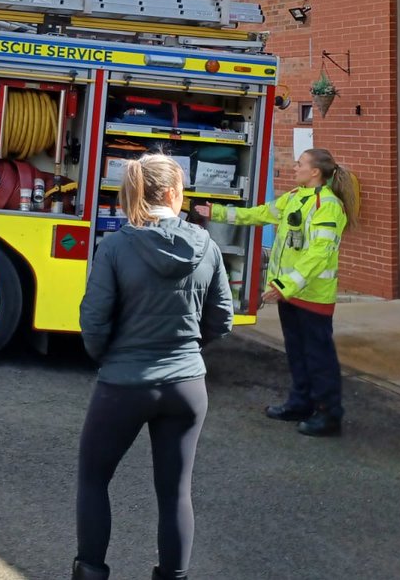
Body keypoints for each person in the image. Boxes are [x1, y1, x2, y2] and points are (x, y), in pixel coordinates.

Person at [75, 154, 232, 580]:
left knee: (93, 479)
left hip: (124, 382)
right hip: (186, 385)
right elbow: (221, 319)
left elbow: (93, 320)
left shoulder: (116, 246)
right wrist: (188, 352)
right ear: (173, 193)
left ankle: (90, 572)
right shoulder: (207, 246)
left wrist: (107, 356)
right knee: (176, 491)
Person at [195, 147, 359, 438]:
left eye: (300, 164)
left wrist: (284, 285)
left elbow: (319, 254)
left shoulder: (328, 206)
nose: (294, 168)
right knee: (297, 352)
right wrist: (216, 212)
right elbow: (259, 214)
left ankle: (329, 414)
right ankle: (300, 403)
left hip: (312, 297)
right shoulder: (296, 197)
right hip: (291, 295)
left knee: (319, 357)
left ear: (315, 172)